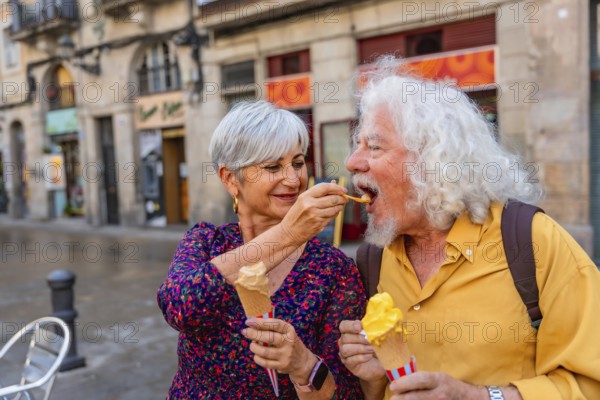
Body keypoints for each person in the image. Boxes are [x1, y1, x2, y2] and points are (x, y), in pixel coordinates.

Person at [338, 57, 600, 400]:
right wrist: (372, 379)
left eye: (374, 146)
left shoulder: (533, 241)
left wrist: (477, 396)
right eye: (358, 145)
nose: (352, 162)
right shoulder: (373, 259)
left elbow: (589, 383)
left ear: (432, 162)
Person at [157, 100, 366, 399]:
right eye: (273, 166)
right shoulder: (205, 242)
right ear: (231, 179)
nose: (294, 179)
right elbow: (179, 308)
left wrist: (303, 364)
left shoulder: (332, 268)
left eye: (297, 162)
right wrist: (288, 235)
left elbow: (347, 392)